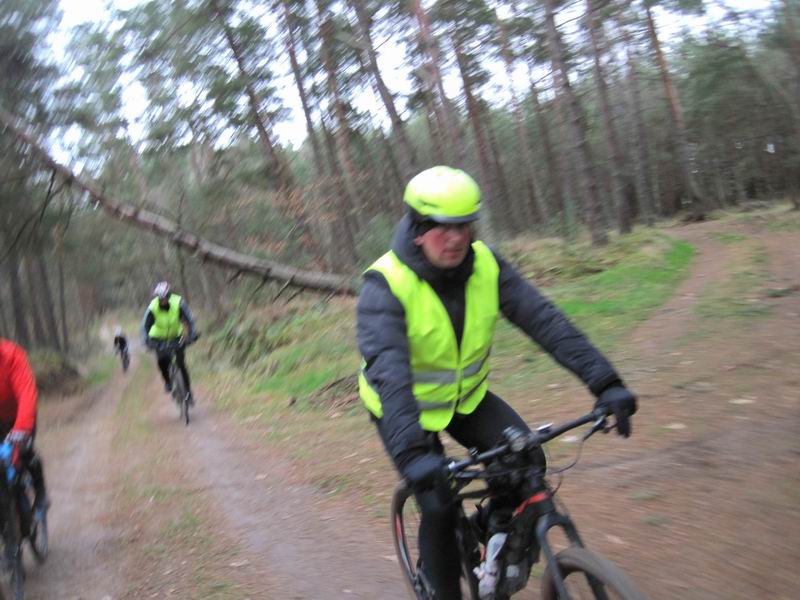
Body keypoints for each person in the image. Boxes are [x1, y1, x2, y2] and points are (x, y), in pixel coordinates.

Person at [356, 166, 637, 600]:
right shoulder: (386, 284)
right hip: (403, 410)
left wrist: (604, 382)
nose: (455, 238)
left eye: (464, 226)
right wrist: (415, 454)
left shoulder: (486, 265)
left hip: (466, 399)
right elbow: (389, 371)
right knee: (438, 500)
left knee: (527, 461)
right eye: (441, 228)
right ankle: (440, 585)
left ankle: (497, 545)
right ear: (416, 228)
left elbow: (544, 321)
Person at [0, 338, 50, 519]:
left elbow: (26, 393)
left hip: (20, 416)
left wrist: (21, 429)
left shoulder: (11, 355)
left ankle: (40, 491)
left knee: (25, 452)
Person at [140, 281, 197, 405]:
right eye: (159, 298)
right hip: (158, 338)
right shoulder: (152, 307)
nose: (162, 300)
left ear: (169, 295)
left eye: (165, 297)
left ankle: (188, 392)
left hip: (176, 336)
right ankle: (168, 381)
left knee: (181, 364)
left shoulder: (178, 303)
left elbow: (190, 320)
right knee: (162, 360)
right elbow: (144, 327)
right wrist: (146, 340)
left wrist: (192, 335)